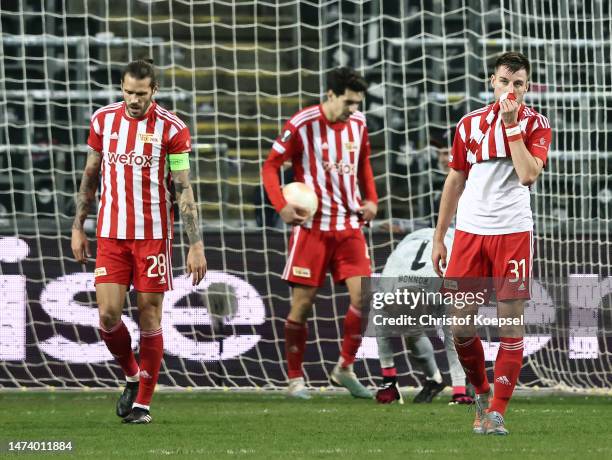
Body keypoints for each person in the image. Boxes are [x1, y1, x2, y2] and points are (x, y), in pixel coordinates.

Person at [71, 59, 207, 424]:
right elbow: (91, 174)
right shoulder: (103, 121)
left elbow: (183, 187)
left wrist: (196, 244)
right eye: (128, 91)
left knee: (149, 313)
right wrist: (78, 226)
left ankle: (143, 403)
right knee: (108, 315)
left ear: (154, 91)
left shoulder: (173, 129)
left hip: (153, 236)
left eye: (141, 93)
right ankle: (132, 374)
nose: (133, 99)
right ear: (121, 87)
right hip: (112, 235)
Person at [432, 51, 552, 435]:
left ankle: (497, 411)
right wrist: (440, 236)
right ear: (492, 82)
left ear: (527, 86)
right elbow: (455, 180)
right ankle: (482, 392)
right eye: (505, 81)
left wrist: (512, 124)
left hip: (512, 233)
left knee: (510, 325)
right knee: (459, 326)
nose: (511, 89)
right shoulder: (469, 125)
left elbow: (528, 174)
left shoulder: (537, 124)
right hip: (468, 234)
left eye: (518, 83)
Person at [262, 67, 378, 399]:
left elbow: (364, 162)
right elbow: (271, 166)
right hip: (311, 229)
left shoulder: (358, 124)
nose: (353, 109)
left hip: (348, 226)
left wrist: (372, 200)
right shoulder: (302, 124)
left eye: (358, 103)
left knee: (364, 297)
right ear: (330, 95)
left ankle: (344, 368)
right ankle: (295, 379)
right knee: (302, 305)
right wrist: (280, 205)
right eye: (349, 102)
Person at [375, 227, 474, 405]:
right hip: (411, 242)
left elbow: (454, 338)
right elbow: (382, 334)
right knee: (410, 331)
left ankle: (470, 381)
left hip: (456, 244)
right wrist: (388, 382)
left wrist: (459, 392)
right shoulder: (386, 289)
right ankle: (434, 381)